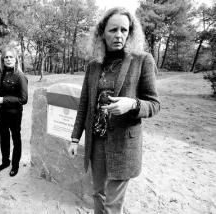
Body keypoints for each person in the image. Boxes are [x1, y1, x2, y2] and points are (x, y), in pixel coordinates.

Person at [68, 7, 160, 214]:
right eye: (113, 30)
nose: (119, 35)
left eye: (124, 30)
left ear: (130, 32)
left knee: (112, 205)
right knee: (98, 193)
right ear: (102, 33)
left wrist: (133, 104)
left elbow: (154, 104)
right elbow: (84, 105)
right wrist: (75, 139)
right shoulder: (93, 65)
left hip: (124, 144)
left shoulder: (142, 60)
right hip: (97, 141)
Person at [0, 47, 28, 177]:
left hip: (14, 113)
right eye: (6, 57)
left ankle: (15, 165)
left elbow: (23, 99)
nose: (8, 59)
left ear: (16, 59)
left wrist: (3, 99)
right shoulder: (4, 73)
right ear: (3, 60)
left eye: (11, 57)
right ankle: (5, 162)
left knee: (16, 139)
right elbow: (0, 91)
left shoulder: (20, 76)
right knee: (4, 138)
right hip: (1, 113)